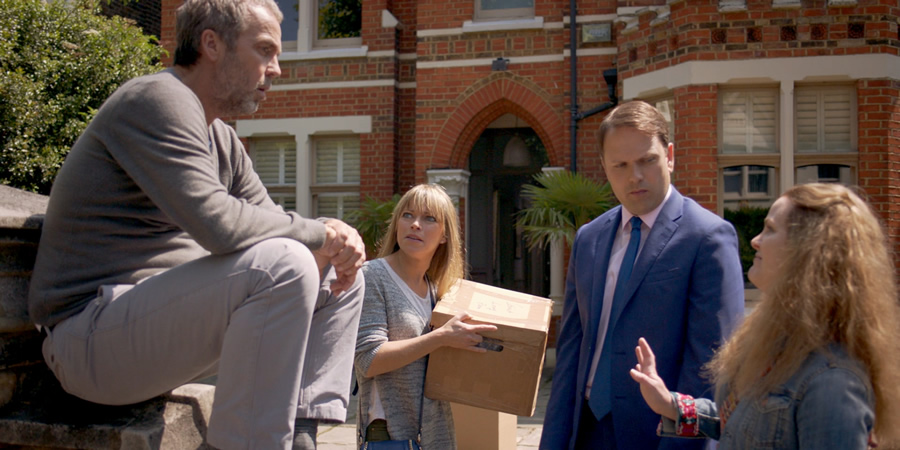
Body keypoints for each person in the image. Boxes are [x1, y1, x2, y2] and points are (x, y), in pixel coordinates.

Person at [26, 0, 366, 448]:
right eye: (264, 50)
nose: (277, 69)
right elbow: (222, 227)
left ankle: (301, 428)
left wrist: (334, 241)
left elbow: (270, 224)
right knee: (284, 262)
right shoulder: (156, 100)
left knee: (345, 274)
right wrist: (320, 232)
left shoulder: (221, 136)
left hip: (155, 331)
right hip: (88, 340)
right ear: (212, 44)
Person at [631, 183, 900, 449]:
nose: (755, 241)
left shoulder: (833, 383)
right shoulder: (780, 342)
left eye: (770, 229)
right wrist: (669, 404)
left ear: (808, 253)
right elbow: (740, 422)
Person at [541, 100, 745, 450]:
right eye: (620, 165)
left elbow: (711, 368)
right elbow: (572, 352)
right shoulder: (589, 239)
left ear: (669, 155)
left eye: (646, 160)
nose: (634, 176)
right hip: (587, 431)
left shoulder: (708, 238)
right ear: (605, 168)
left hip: (658, 435)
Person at [354, 184, 497, 448]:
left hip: (435, 435)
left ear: (444, 236)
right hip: (392, 436)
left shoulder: (436, 290)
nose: (415, 225)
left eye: (429, 218)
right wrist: (441, 337)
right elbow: (368, 359)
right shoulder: (372, 276)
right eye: (407, 215)